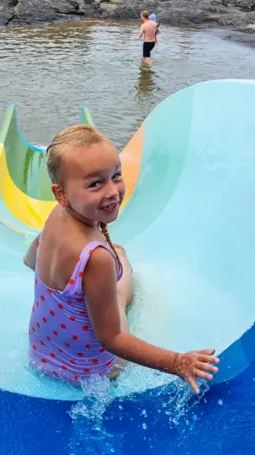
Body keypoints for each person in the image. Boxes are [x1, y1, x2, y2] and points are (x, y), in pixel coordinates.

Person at [23, 124, 219, 391]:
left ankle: (116, 272)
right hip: (87, 372)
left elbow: (30, 260)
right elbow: (112, 339)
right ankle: (124, 267)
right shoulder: (97, 258)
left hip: (40, 353)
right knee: (117, 295)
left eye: (116, 175)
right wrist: (177, 362)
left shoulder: (55, 217)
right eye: (95, 183)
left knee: (90, 294)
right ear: (61, 194)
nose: (112, 191)